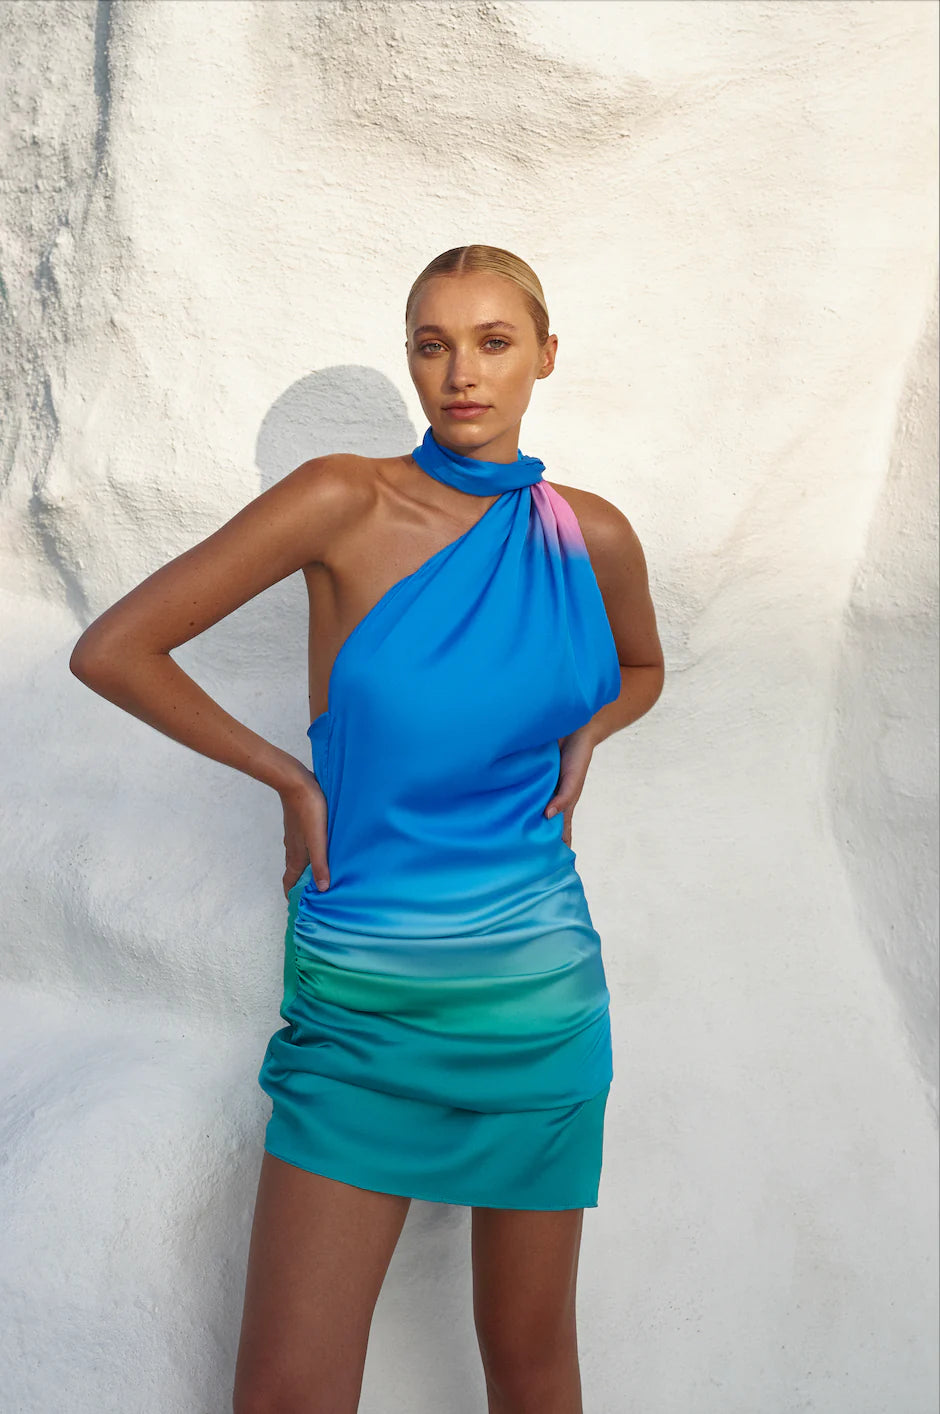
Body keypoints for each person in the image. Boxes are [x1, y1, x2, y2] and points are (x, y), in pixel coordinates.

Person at [70, 243, 664, 1414]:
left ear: (546, 356)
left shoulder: (587, 534)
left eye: (493, 341)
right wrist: (288, 780)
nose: (462, 372)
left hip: (535, 993)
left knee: (532, 1369)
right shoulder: (342, 499)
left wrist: (590, 730)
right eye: (433, 344)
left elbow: (642, 665)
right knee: (288, 1391)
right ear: (410, 358)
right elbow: (114, 649)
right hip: (360, 994)